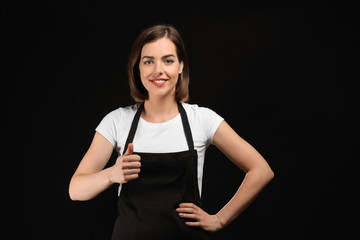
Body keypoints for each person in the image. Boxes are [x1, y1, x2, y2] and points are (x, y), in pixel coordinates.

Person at [69, 24, 274, 239]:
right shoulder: (117, 121)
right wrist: (111, 174)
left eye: (168, 60)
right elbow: (76, 190)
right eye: (148, 61)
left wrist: (220, 219)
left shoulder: (201, 120)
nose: (158, 70)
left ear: (180, 66)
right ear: (137, 68)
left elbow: (261, 170)